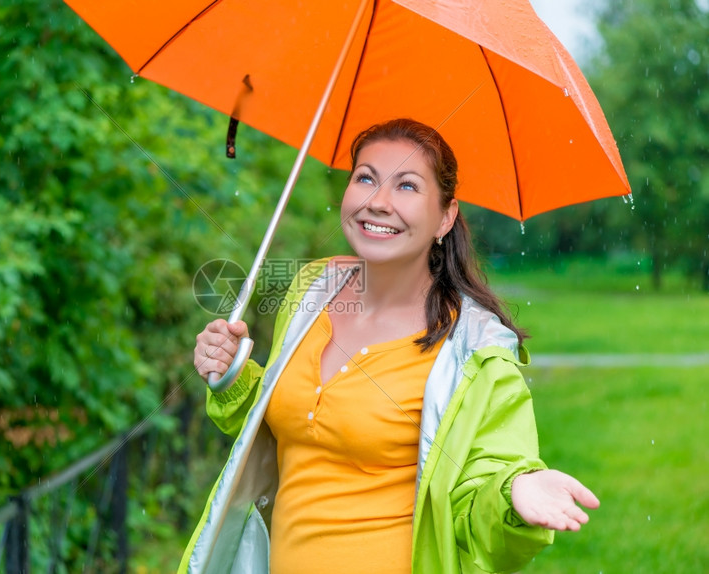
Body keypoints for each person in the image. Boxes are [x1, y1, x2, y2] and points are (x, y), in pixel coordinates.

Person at [179, 119, 599, 574]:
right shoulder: (311, 288)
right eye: (365, 178)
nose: (378, 202)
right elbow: (285, 425)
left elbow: (471, 511)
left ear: (446, 216)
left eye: (407, 186)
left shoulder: (474, 354)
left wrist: (513, 494)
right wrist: (233, 375)